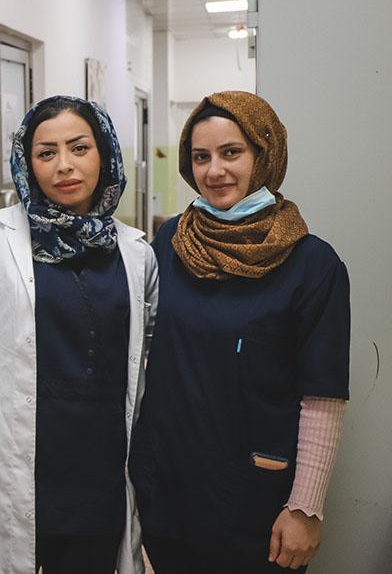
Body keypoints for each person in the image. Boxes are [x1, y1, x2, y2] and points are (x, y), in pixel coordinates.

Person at [128, 91, 350, 573]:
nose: (214, 171)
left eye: (232, 153)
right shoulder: (171, 242)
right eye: (201, 157)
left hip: (257, 503)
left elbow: (323, 397)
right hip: (169, 488)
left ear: (264, 154)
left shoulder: (312, 264)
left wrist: (305, 507)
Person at [0, 95, 157, 573]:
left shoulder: (137, 253)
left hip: (99, 467)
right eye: (46, 153)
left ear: (104, 152)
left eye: (79, 148)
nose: (64, 166)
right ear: (27, 161)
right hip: (12, 462)